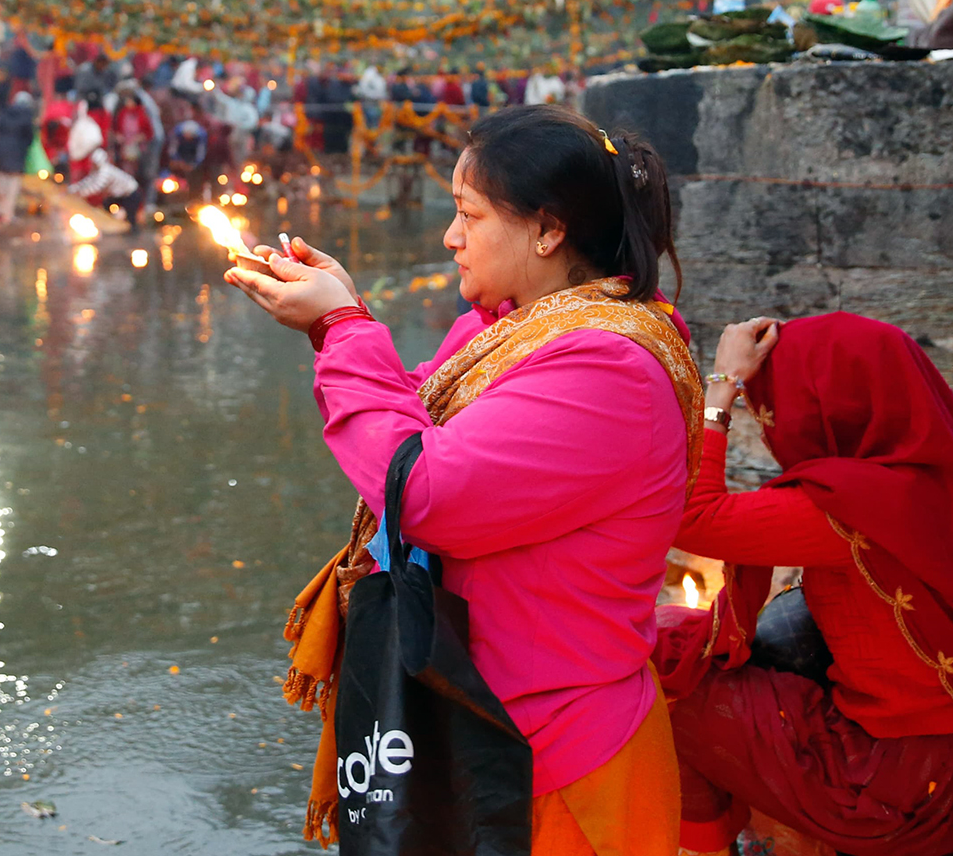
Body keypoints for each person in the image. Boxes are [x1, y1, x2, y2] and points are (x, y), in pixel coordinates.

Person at [232, 104, 696, 852]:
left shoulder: (609, 366)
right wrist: (334, 323)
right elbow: (410, 409)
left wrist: (347, 328)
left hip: (553, 753)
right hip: (471, 720)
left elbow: (421, 492)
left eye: (467, 214)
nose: (451, 237)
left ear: (547, 229)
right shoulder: (508, 324)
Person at [656, 313, 953, 856]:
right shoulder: (938, 468)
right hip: (938, 760)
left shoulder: (851, 510)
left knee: (661, 663)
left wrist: (724, 386)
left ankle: (721, 842)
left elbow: (688, 516)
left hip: (894, 789)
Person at [0, 89, 35, 223]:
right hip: (17, 154)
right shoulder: (27, 116)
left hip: (1, 152)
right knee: (12, 186)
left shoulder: (5, 113)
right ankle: (7, 215)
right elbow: (29, 138)